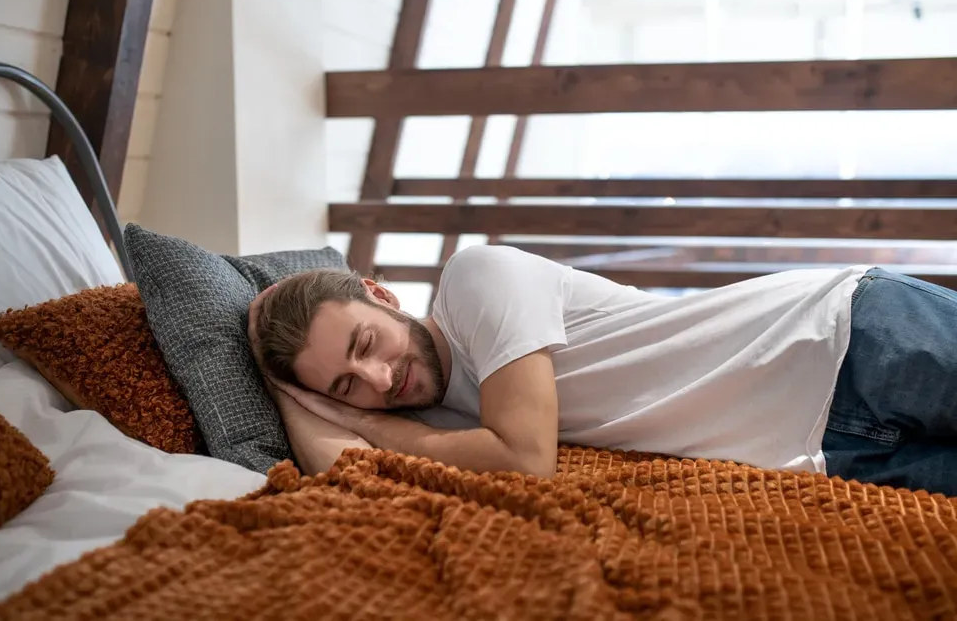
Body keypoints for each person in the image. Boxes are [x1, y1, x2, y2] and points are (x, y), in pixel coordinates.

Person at [248, 244, 957, 497]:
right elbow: (337, 471)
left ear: (381, 293)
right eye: (346, 384)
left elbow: (528, 462)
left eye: (367, 343)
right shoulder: (439, 430)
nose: (377, 378)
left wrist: (358, 416)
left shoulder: (474, 281)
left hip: (848, 337)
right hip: (833, 451)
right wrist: (296, 398)